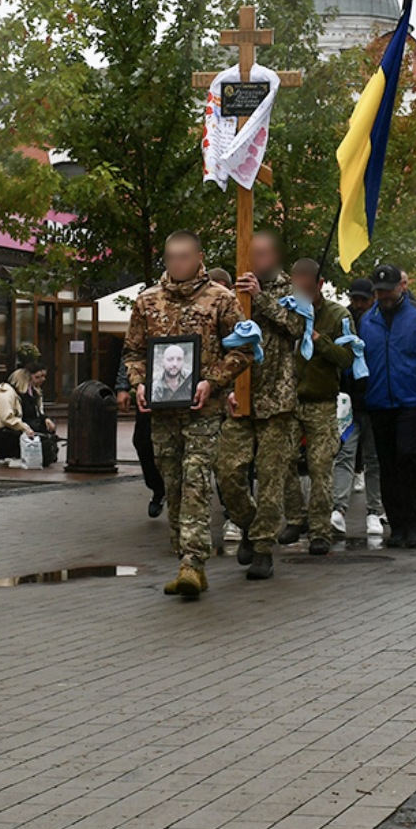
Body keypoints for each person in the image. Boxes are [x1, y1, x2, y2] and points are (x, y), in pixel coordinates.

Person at [126, 231, 252, 599]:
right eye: (170, 258)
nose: (176, 264)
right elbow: (133, 352)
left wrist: (212, 381)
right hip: (163, 414)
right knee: (174, 485)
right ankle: (188, 551)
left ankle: (192, 565)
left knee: (197, 479)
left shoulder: (221, 300)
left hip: (205, 411)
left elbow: (243, 350)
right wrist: (138, 383)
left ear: (199, 258)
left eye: (183, 257)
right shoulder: (146, 301)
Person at [210, 232, 308, 580]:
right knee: (229, 473)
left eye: (264, 254)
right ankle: (251, 528)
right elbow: (218, 344)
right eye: (253, 254)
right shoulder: (229, 294)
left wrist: (261, 298)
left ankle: (263, 550)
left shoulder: (290, 290)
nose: (258, 260)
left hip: (277, 403)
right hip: (240, 400)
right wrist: (225, 392)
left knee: (270, 482)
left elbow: (296, 326)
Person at [356, 263, 416, 548]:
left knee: (409, 459)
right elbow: (360, 362)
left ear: (402, 287)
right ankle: (396, 526)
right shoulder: (367, 321)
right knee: (387, 465)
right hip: (379, 403)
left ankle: (412, 523)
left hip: (411, 402)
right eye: (379, 291)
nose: (384, 296)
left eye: (389, 290)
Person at [284, 258, 353, 555]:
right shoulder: (285, 312)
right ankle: (296, 517)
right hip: (287, 402)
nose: (300, 289)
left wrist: (319, 340)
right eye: (296, 284)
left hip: (322, 402)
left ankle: (320, 529)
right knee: (282, 462)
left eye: (306, 285)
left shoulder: (338, 316)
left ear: (319, 284)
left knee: (321, 467)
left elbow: (348, 358)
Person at [331, 278, 385, 538]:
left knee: (373, 459)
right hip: (349, 401)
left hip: (374, 401)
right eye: (355, 299)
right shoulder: (343, 321)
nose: (359, 303)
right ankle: (338, 509)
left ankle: (374, 511)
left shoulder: (378, 321)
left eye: (363, 299)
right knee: (344, 454)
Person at [115, 352, 166, 518]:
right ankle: (158, 488)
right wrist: (123, 387)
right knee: (143, 441)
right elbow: (130, 352)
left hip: (183, 389)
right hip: (149, 389)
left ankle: (180, 494)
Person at [0, 363, 56, 467]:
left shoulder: (15, 394)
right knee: (28, 441)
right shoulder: (6, 394)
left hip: (7, 429)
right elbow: (7, 418)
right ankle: (7, 454)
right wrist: (26, 429)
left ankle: (10, 455)